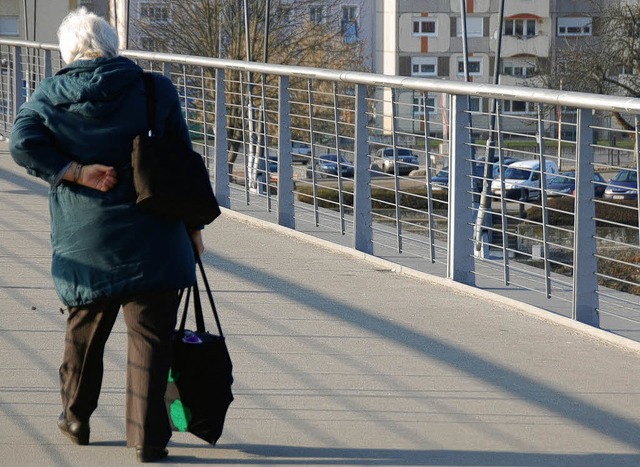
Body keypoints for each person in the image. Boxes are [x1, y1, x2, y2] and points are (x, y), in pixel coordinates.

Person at [9, 8, 203, 463]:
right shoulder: (155, 89)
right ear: (113, 46)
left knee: (84, 332)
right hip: (155, 234)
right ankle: (150, 438)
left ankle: (75, 417)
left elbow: (21, 142)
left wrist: (75, 171)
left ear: (69, 52)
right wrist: (192, 228)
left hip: (89, 242)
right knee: (152, 338)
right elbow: (183, 162)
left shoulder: (50, 95)